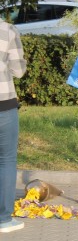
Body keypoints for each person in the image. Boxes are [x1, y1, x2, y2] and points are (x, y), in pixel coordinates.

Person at [0, 21, 26, 233]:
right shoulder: (7, 30)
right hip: (4, 106)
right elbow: (18, 71)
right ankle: (4, 219)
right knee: (6, 161)